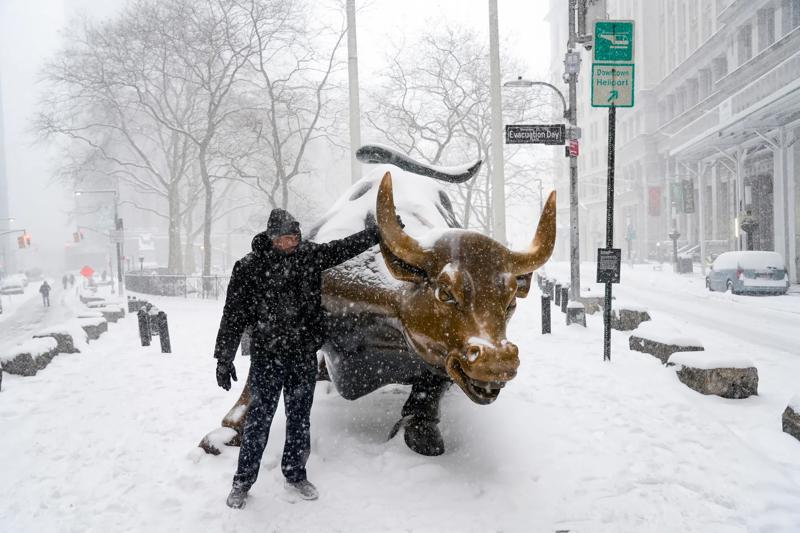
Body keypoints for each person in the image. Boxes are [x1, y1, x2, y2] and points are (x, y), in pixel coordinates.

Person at [214, 208, 385, 510]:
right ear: (271, 238)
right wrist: (223, 359)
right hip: (268, 358)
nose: (292, 243)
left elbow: (341, 249)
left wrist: (375, 234)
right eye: (286, 239)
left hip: (302, 356)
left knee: (299, 420)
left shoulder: (308, 256)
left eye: (295, 237)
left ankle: (295, 473)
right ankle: (242, 482)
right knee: (258, 421)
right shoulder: (249, 267)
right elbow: (233, 316)